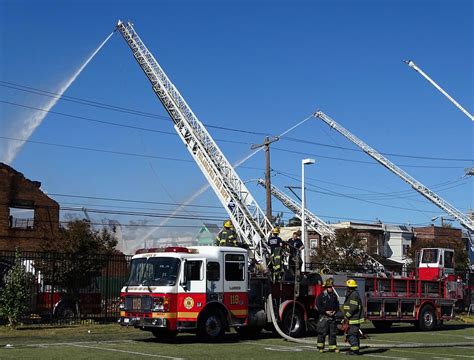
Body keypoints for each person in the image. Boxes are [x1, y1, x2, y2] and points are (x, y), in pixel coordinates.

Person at [316, 278, 340, 353]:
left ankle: (332, 347)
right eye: (329, 287)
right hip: (324, 317)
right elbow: (318, 306)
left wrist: (334, 312)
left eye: (331, 286)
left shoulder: (334, 296)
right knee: (322, 332)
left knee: (332, 333)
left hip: (332, 317)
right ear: (326, 287)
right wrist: (326, 312)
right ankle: (320, 347)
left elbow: (337, 306)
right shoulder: (321, 296)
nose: (330, 288)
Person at [343, 279, 364, 355]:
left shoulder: (354, 295)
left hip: (353, 319)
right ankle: (354, 350)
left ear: (349, 287)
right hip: (352, 319)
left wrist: (347, 316)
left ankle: (354, 351)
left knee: (352, 335)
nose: (346, 288)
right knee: (354, 335)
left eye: (347, 287)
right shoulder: (353, 294)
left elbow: (353, 307)